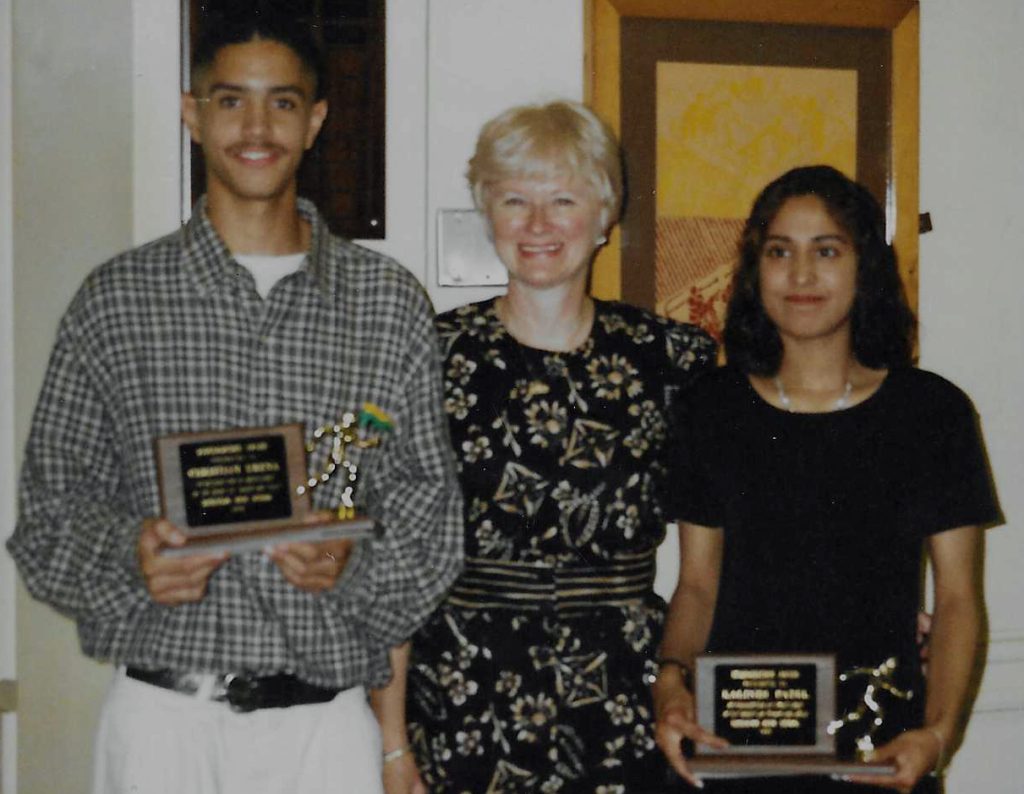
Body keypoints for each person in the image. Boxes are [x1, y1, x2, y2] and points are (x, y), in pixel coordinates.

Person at [6, 11, 462, 794]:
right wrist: (131, 557)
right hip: (162, 727)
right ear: (192, 114)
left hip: (324, 731)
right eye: (230, 101)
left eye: (282, 102)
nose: (256, 128)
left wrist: (354, 562)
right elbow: (48, 517)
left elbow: (432, 521)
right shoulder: (116, 302)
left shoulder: (387, 305)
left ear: (315, 121)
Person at [379, 100, 717, 793]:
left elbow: (716, 556)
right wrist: (390, 745)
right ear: (488, 214)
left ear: (604, 216)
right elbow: (385, 556)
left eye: (563, 200)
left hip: (628, 693)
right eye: (515, 200)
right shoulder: (428, 355)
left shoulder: (673, 360)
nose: (537, 224)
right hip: (462, 692)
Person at [653, 165, 1000, 793]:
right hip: (736, 747)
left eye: (827, 251)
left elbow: (956, 600)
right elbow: (697, 585)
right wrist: (671, 682)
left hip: (880, 750)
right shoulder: (711, 409)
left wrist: (938, 733)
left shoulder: (933, 413)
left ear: (864, 268)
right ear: (756, 271)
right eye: (779, 251)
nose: (801, 275)